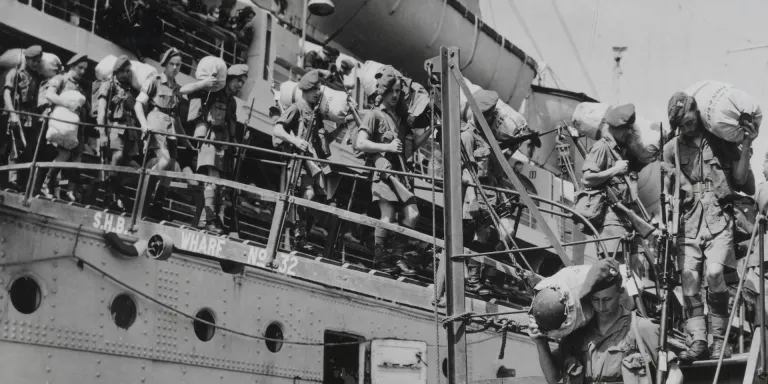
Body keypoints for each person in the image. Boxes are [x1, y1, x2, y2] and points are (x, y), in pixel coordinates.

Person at [663, 92, 757, 361]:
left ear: (697, 113)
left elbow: (740, 181)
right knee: (690, 279)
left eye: (688, 121)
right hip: (688, 222)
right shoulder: (671, 149)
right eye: (680, 125)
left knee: (715, 274)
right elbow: (670, 191)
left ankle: (720, 340)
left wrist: (747, 143)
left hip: (718, 216)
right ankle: (699, 340)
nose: (685, 128)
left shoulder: (720, 141)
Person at [529, 258, 684, 384]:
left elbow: (675, 373)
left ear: (620, 293)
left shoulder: (641, 328)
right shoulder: (579, 333)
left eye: (607, 299)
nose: (601, 306)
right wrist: (540, 343)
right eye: (596, 299)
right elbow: (553, 377)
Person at [355, 66, 432, 275]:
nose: (395, 95)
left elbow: (409, 149)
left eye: (398, 91)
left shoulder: (400, 119)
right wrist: (386, 147)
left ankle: (397, 256)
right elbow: (360, 143)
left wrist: (430, 131)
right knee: (387, 216)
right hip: (384, 173)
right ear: (383, 91)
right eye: (391, 91)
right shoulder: (374, 115)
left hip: (401, 173)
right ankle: (380, 260)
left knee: (412, 215)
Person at [135, 47, 215, 219]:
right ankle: (143, 200)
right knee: (163, 162)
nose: (175, 68)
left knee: (171, 165)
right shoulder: (154, 81)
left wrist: (186, 141)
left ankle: (157, 204)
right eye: (172, 64)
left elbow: (177, 119)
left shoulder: (176, 88)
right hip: (156, 123)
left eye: (178, 65)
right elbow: (138, 104)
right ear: (165, 64)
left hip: (170, 129)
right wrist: (143, 125)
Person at [272, 69, 329, 252]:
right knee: (307, 196)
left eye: (319, 89)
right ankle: (300, 237)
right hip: (300, 163)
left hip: (312, 163)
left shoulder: (314, 114)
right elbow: (278, 130)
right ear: (305, 90)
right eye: (315, 89)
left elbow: (321, 142)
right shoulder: (296, 108)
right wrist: (295, 140)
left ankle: (303, 235)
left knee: (317, 199)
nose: (318, 93)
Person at [581, 104, 646, 262]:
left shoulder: (620, 151)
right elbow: (587, 179)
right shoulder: (601, 147)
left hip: (624, 219)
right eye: (626, 129)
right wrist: (614, 170)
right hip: (610, 220)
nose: (628, 132)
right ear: (615, 127)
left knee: (633, 266)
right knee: (613, 267)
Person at [191, 64, 248, 232]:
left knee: (219, 186)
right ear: (229, 79)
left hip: (224, 145)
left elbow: (229, 124)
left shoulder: (232, 102)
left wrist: (237, 143)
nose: (240, 85)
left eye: (243, 83)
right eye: (238, 81)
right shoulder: (214, 92)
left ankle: (209, 219)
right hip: (210, 140)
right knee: (212, 181)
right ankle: (210, 220)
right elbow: (195, 94)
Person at [40, 52, 90, 201]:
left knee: (75, 159)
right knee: (63, 155)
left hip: (74, 129)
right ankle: (46, 184)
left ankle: (70, 192)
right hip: (59, 125)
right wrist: (67, 104)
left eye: (84, 69)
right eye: (80, 68)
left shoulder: (80, 87)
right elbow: (50, 95)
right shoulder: (60, 79)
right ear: (72, 67)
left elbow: (85, 108)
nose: (82, 72)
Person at [96, 55, 140, 211]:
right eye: (125, 71)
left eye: (130, 71)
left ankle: (117, 196)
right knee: (117, 157)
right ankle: (108, 196)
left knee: (130, 167)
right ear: (117, 71)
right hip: (115, 127)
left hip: (130, 131)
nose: (128, 74)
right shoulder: (108, 85)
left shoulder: (130, 90)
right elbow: (101, 111)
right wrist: (102, 133)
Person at [3, 45, 44, 190]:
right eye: (33, 60)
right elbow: (7, 94)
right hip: (16, 115)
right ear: (26, 58)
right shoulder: (15, 73)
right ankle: (11, 181)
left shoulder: (36, 77)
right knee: (15, 147)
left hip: (30, 118)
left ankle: (20, 182)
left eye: (38, 61)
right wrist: (12, 114)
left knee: (28, 150)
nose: (35, 63)